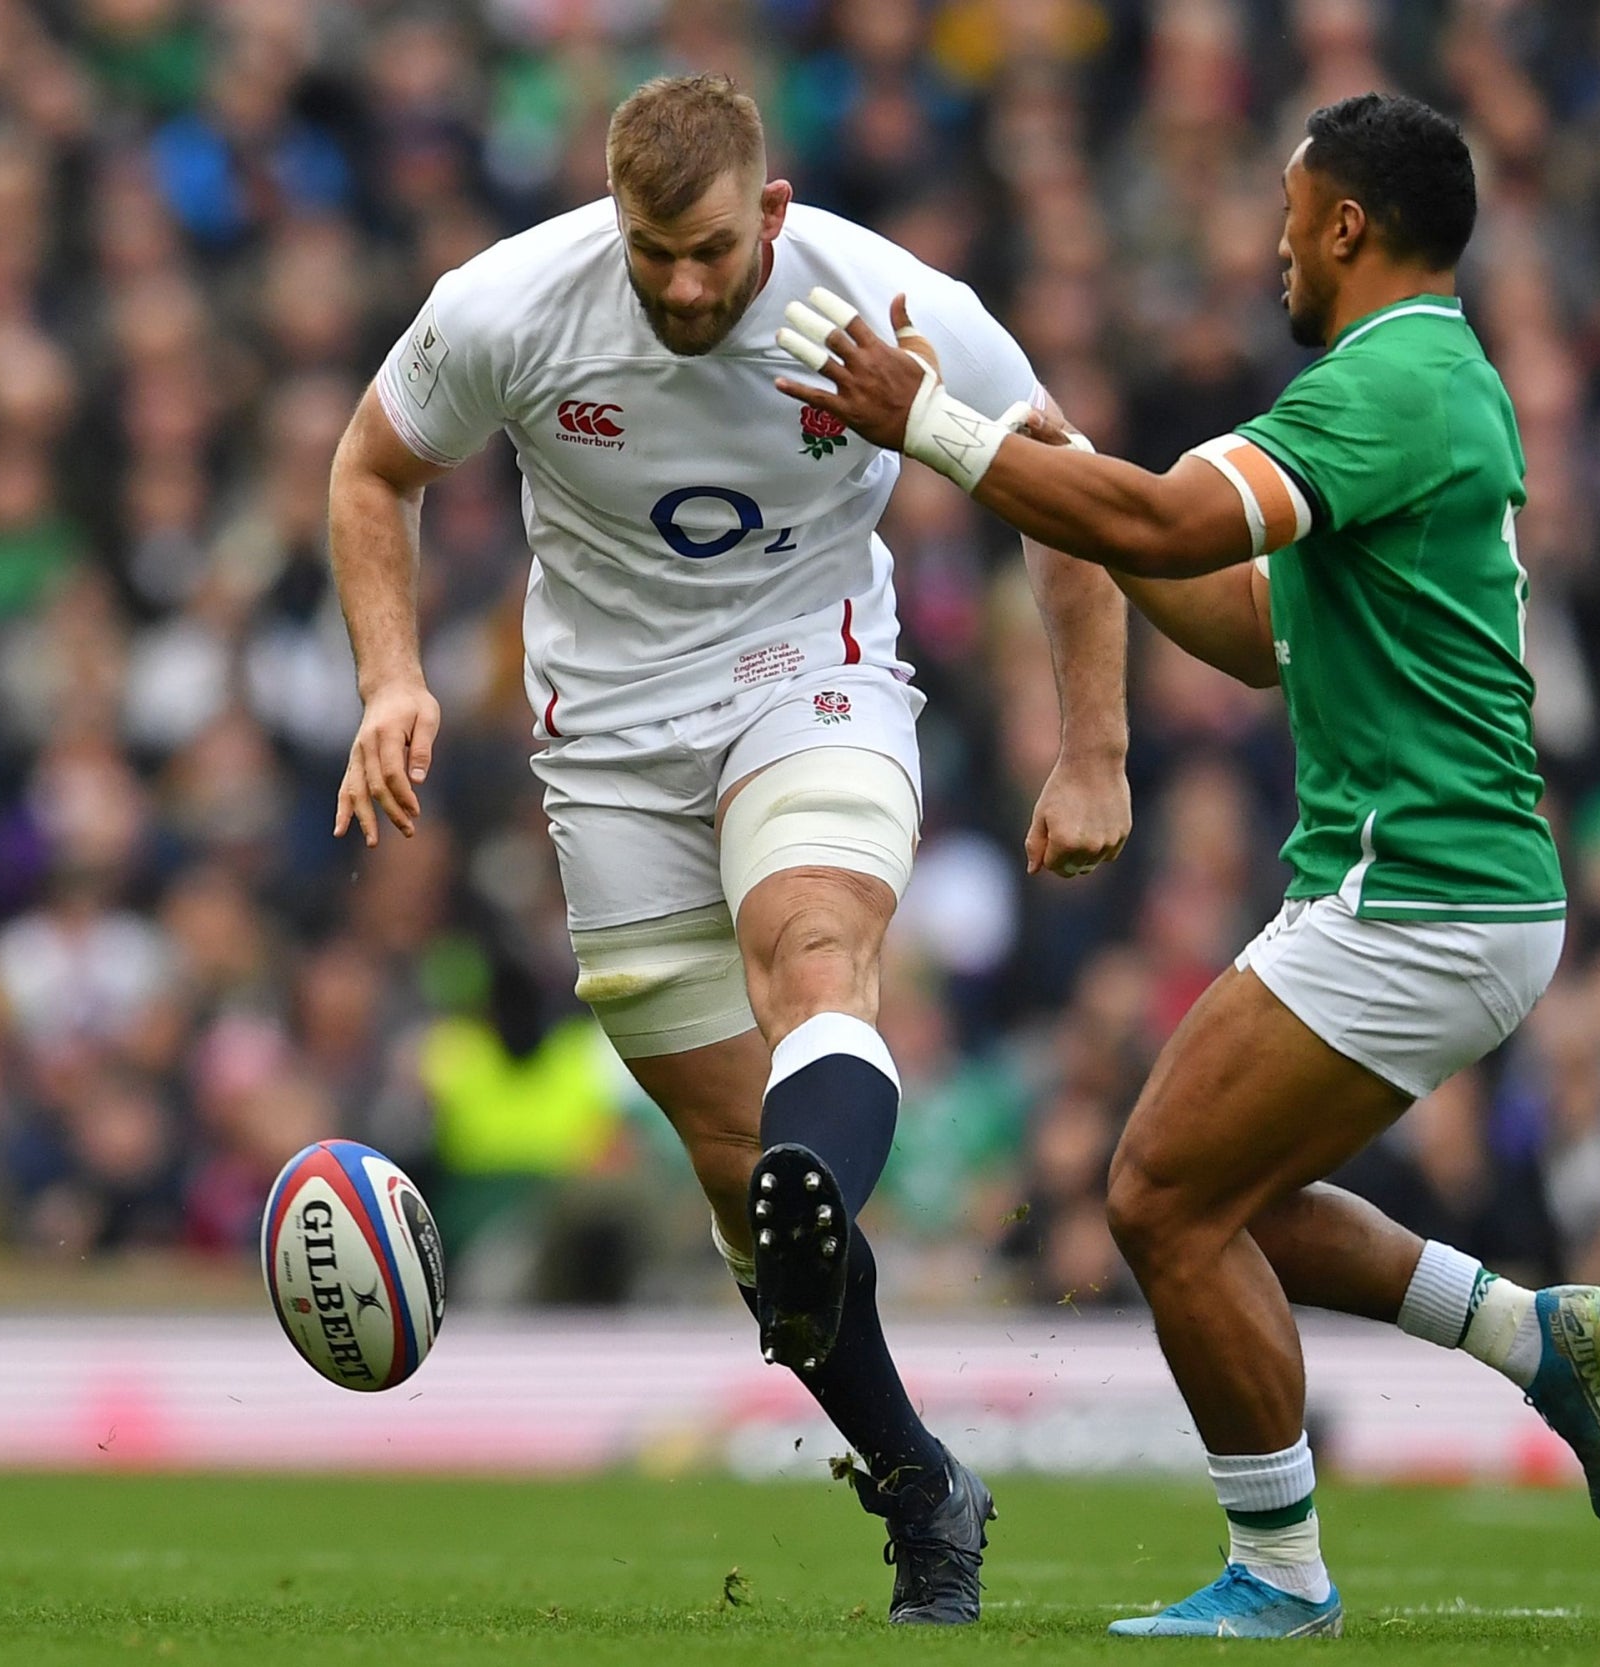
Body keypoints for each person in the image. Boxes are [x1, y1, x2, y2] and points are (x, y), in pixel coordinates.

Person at [776, 91, 1600, 1639]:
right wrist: (1073, 485)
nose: (1272, 245)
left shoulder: (1391, 380)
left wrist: (939, 426)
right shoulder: (1436, 384)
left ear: (1345, 226)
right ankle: (1530, 1337)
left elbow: (1179, 525)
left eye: (1285, 213)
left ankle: (1284, 1575)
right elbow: (1256, 629)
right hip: (1446, 888)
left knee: (1159, 1199)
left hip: (1423, 891)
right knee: (1227, 1193)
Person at [326, 74, 1131, 1625]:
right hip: (609, 738)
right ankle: (919, 1485)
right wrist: (394, 676)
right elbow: (375, 468)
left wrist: (1091, 748)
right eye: (652, 252)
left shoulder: (890, 304)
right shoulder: (509, 304)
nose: (683, 283)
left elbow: (1067, 494)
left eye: (709, 248)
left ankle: (814, 1192)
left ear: (770, 211)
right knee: (729, 1161)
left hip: (808, 677)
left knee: (812, 958)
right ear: (611, 218)